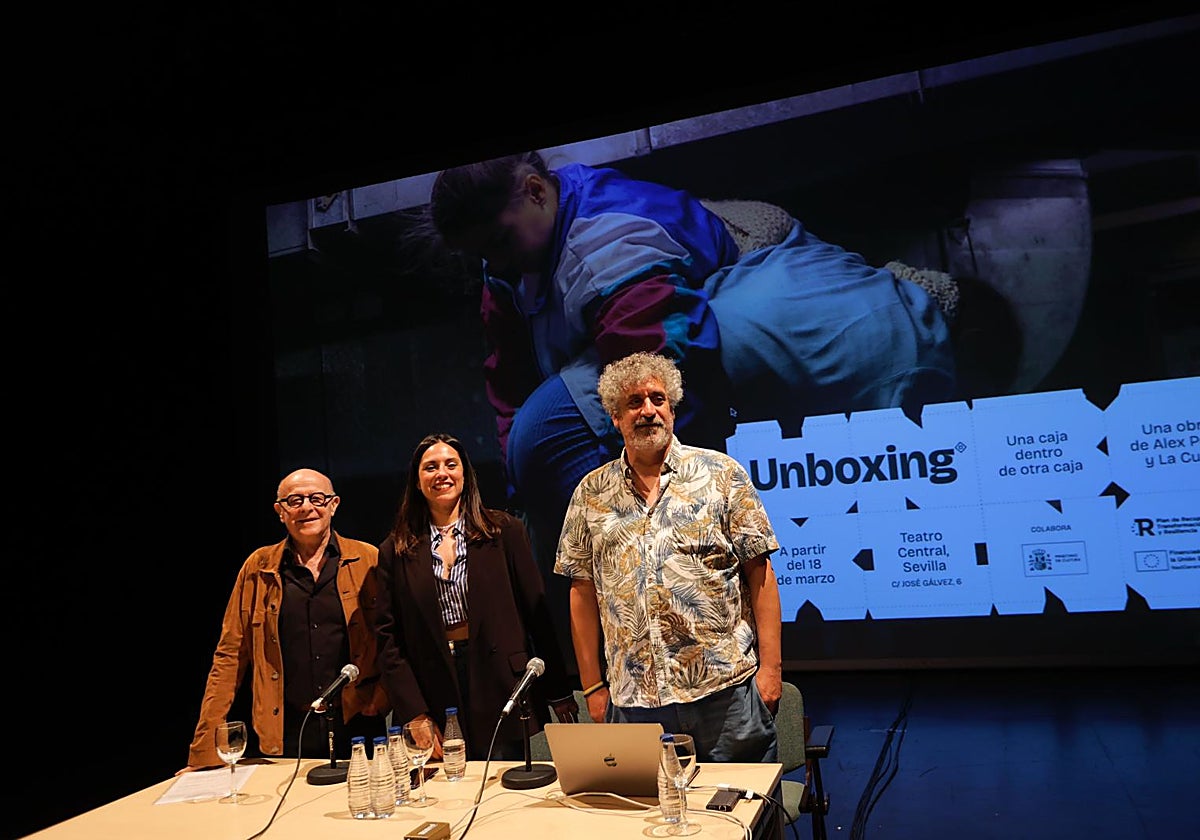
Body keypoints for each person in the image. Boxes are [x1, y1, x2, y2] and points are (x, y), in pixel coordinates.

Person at [427, 151, 957, 594]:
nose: (493, 263)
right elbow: (510, 385)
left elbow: (660, 378)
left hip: (741, 290)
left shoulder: (610, 250)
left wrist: (665, 511)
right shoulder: (503, 262)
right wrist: (520, 493)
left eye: (497, 244)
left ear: (537, 192)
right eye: (480, 255)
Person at [555, 352, 783, 763]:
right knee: (653, 824)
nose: (648, 411)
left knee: (742, 820)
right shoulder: (590, 493)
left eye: (657, 399)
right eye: (634, 402)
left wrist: (771, 670)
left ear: (672, 409)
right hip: (635, 705)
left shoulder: (722, 474)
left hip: (724, 694)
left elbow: (760, 574)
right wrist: (591, 686)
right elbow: (581, 591)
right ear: (615, 417)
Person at [374, 432, 578, 762]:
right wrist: (413, 712)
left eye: (450, 464)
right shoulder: (395, 549)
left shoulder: (505, 531)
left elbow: (536, 615)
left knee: (501, 790)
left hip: (500, 682)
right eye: (430, 467)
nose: (442, 473)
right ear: (416, 480)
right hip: (432, 688)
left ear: (465, 474)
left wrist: (557, 688)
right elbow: (387, 638)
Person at [180, 468, 389, 772]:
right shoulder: (258, 568)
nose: (307, 507)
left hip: (358, 723)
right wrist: (203, 753)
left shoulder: (368, 558)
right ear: (280, 511)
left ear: (333, 505)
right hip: (286, 730)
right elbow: (229, 657)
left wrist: (383, 697)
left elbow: (397, 638)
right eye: (295, 500)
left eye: (317, 498)